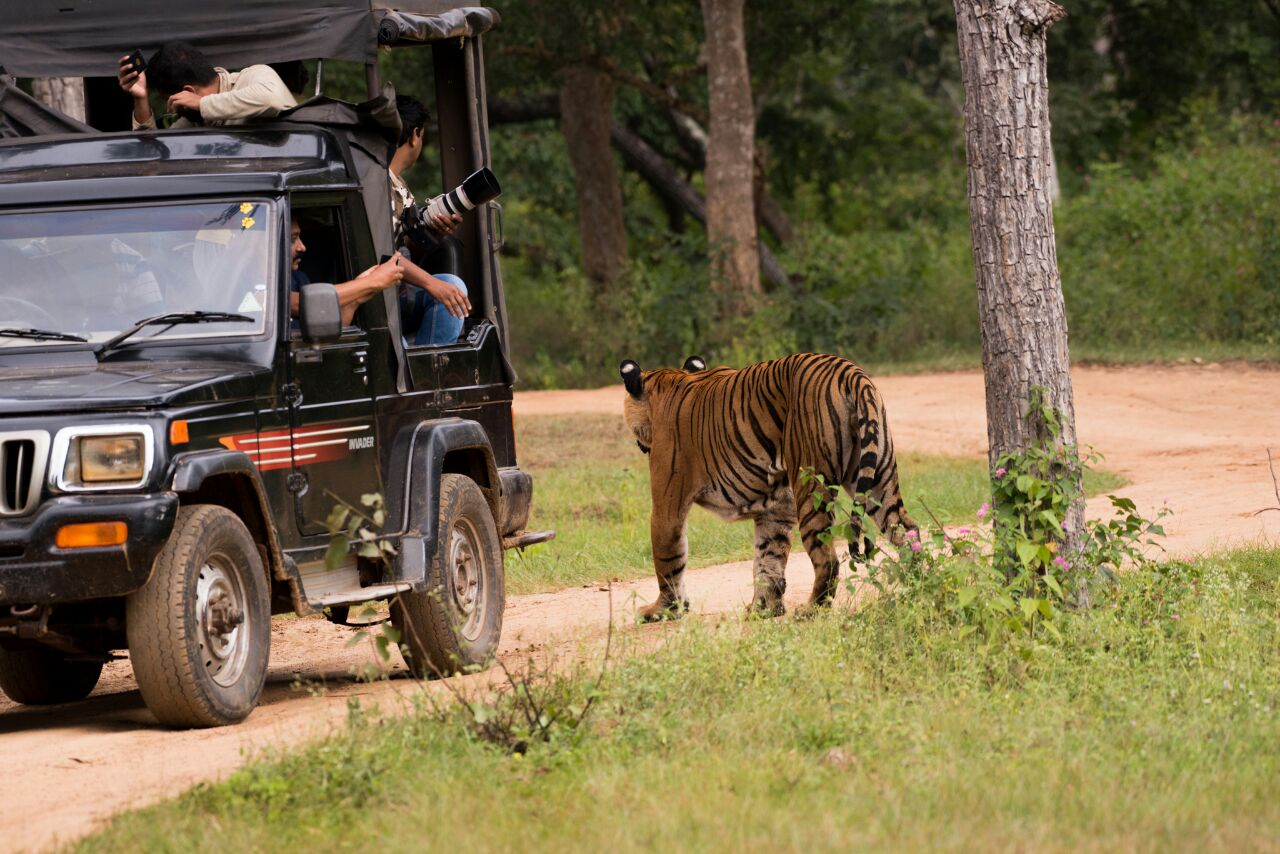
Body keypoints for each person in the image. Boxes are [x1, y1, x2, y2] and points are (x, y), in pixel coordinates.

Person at [387, 95, 471, 346]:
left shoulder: (398, 185)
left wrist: (436, 232)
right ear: (415, 135)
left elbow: (404, 248)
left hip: (400, 290)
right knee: (444, 288)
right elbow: (384, 256)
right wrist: (431, 283)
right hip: (376, 295)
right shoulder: (377, 185)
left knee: (452, 287)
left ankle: (433, 366)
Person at [117, 42, 295, 130]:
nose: (173, 108)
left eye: (170, 100)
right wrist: (140, 98)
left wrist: (202, 104)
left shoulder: (254, 75)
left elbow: (272, 99)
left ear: (188, 92)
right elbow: (153, 158)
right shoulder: (193, 121)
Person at [289, 217, 403, 327]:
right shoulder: (271, 288)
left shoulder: (299, 278)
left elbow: (328, 334)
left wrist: (355, 300)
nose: (302, 247)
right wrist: (373, 281)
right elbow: (301, 303)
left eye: (300, 238)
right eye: (293, 239)